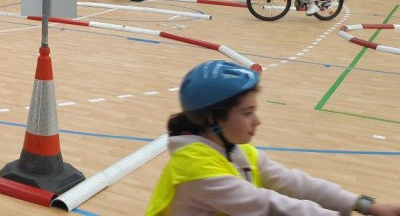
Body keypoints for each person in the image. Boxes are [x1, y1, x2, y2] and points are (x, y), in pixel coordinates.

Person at [146, 60, 400, 216]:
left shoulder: (233, 151)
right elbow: (267, 207)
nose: (257, 121)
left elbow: (294, 184)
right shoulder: (194, 169)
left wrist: (363, 205)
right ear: (214, 119)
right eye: (247, 113)